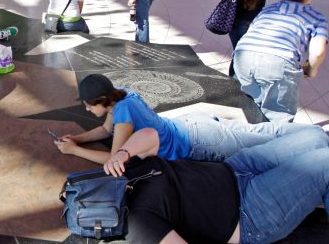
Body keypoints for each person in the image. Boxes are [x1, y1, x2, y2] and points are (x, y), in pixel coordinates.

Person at [106, 126, 329, 244]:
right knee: (325, 164)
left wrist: (122, 153)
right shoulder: (137, 221)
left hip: (238, 168)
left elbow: (151, 134)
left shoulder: (128, 170)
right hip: (251, 210)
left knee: (316, 136)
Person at [53, 73, 321, 171]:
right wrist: (76, 139)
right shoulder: (122, 94)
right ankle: (313, 134)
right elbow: (103, 130)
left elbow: (114, 159)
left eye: (89, 105)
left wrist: (75, 151)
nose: (87, 109)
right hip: (193, 124)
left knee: (266, 144)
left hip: (198, 140)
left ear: (102, 99)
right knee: (263, 130)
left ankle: (317, 144)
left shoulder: (122, 115)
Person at [233, 0, 328, 122]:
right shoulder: (317, 17)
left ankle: (257, 132)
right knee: (279, 117)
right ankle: (273, 137)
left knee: (257, 102)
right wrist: (310, 70)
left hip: (242, 58)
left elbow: (251, 31)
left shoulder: (268, 9)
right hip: (278, 61)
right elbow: (318, 51)